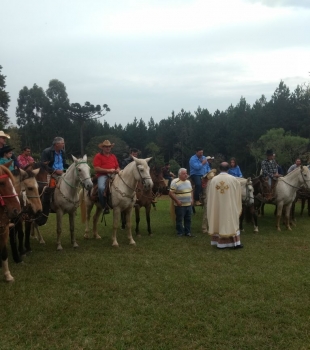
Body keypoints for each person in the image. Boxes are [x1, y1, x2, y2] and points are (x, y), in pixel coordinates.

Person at [207, 162, 243, 249]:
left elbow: (210, 195)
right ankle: (234, 243)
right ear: (228, 169)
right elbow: (238, 195)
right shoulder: (234, 180)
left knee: (218, 220)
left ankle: (218, 243)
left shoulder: (214, 180)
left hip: (217, 207)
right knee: (231, 222)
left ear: (219, 169)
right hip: (230, 206)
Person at [93, 139, 120, 209]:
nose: (108, 148)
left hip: (114, 175)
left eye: (109, 147)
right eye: (106, 147)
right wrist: (108, 170)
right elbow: (96, 168)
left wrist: (117, 170)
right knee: (101, 188)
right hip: (103, 175)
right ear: (102, 148)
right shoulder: (98, 156)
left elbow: (117, 166)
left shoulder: (113, 156)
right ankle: (104, 205)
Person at [169, 168, 194, 237]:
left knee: (188, 219)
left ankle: (188, 232)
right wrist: (177, 201)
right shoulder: (175, 182)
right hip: (180, 205)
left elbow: (191, 191)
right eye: (184, 174)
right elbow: (171, 193)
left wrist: (192, 199)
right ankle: (180, 232)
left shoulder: (188, 182)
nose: (186, 175)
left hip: (188, 204)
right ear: (179, 175)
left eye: (186, 173)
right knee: (179, 219)